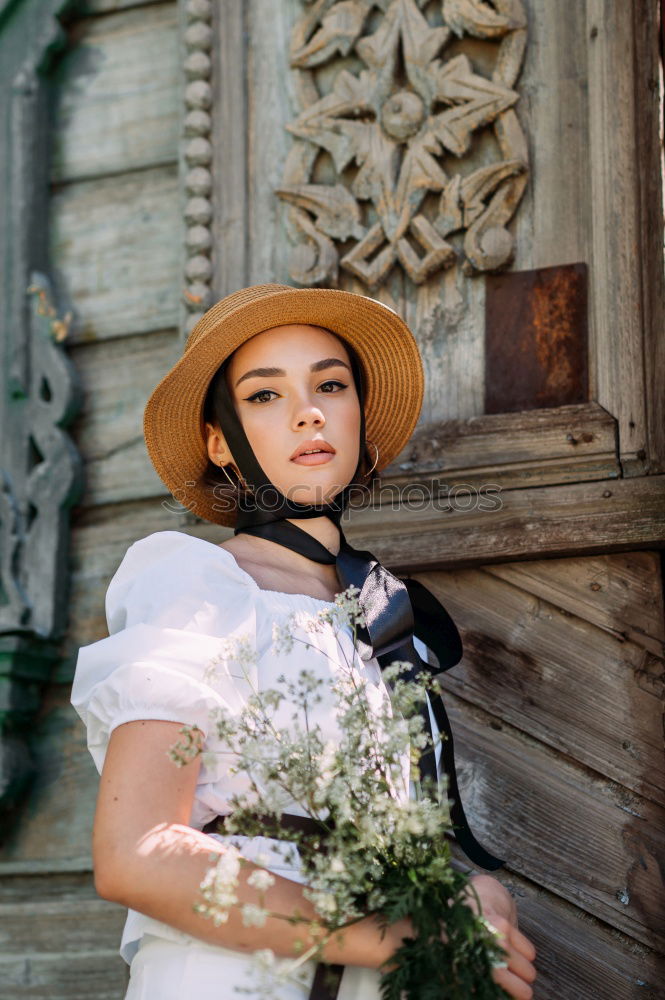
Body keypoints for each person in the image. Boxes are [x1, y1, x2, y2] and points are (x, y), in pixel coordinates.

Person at [71, 284, 537, 1000]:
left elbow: (360, 830)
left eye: (330, 384)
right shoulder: (197, 583)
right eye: (263, 395)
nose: (309, 410)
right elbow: (137, 855)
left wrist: (470, 895)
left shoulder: (378, 614)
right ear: (218, 441)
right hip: (231, 979)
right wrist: (385, 937)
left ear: (357, 417)